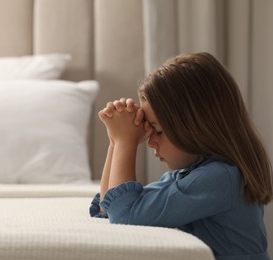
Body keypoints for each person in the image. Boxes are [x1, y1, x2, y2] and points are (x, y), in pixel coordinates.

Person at [90, 52, 272, 260]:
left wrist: (125, 142)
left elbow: (124, 216)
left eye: (157, 131)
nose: (150, 142)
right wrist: (115, 141)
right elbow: (110, 208)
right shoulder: (194, 173)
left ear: (195, 127)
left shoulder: (219, 178)